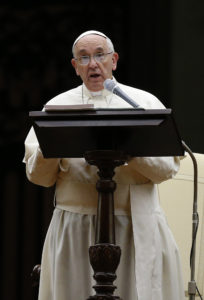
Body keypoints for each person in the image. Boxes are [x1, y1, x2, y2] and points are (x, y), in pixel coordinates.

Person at [23, 30, 185, 300]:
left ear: (114, 60)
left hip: (135, 224)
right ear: (75, 67)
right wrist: (52, 144)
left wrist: (131, 145)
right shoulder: (57, 107)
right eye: (84, 58)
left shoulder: (143, 103)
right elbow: (39, 177)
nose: (93, 63)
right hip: (75, 226)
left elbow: (167, 169)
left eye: (100, 55)